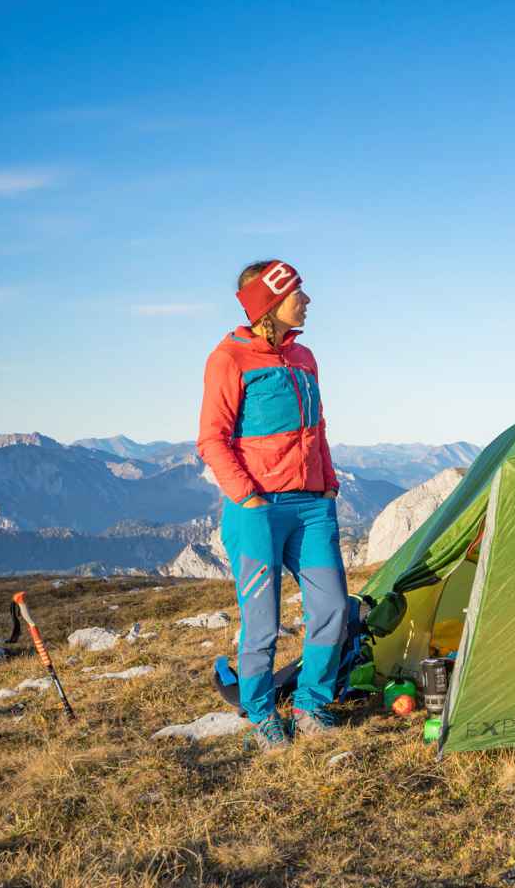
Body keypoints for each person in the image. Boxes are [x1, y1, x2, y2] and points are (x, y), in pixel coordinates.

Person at [196, 259, 347, 750]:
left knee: (332, 608)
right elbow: (212, 440)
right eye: (297, 292)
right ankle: (261, 714)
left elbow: (317, 426)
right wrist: (250, 497)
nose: (307, 300)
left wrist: (326, 484)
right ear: (269, 303)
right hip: (257, 510)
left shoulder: (304, 356)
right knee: (262, 622)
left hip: (311, 506)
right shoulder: (229, 358)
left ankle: (311, 705)